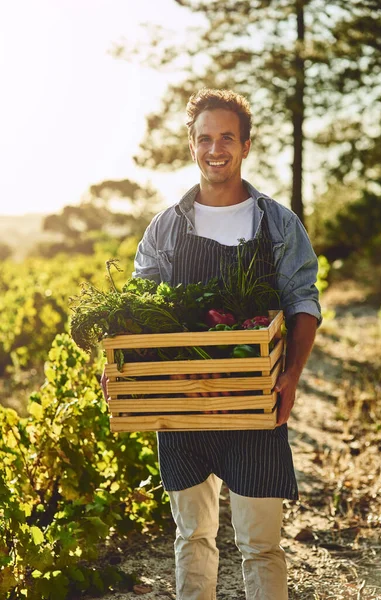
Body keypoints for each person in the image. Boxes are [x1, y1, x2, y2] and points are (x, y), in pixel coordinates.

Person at [103, 88, 321, 600]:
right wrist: (120, 363)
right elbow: (136, 308)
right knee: (192, 536)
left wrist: (290, 375)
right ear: (192, 144)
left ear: (246, 145)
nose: (215, 148)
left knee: (261, 545)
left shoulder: (277, 224)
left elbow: (302, 302)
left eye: (227, 137)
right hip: (182, 401)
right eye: (205, 138)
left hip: (252, 400)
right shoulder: (166, 229)